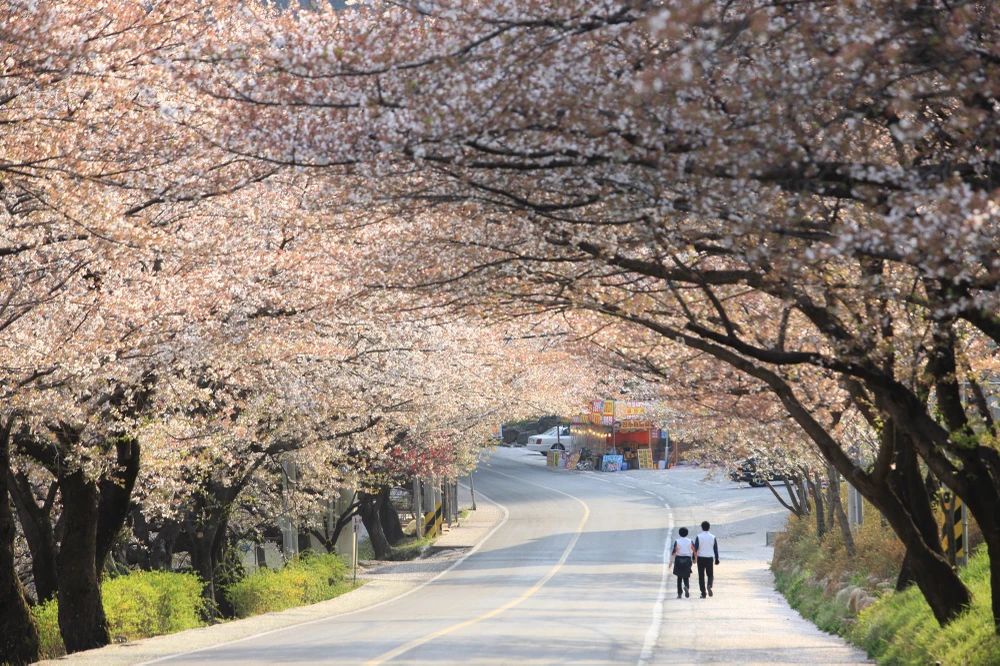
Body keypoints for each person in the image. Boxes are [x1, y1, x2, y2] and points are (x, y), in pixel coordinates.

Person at [694, 521, 720, 598]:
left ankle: (703, 593)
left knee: (701, 576)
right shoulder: (713, 537)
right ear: (709, 527)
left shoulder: (699, 537)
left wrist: (693, 558)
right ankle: (709, 585)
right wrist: (717, 559)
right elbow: (715, 549)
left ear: (702, 528)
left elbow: (695, 548)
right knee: (710, 575)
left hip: (701, 558)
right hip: (709, 558)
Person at [668, 527, 694, 598]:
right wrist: (695, 559)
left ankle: (679, 593)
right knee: (686, 576)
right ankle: (686, 587)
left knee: (679, 577)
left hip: (678, 559)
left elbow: (674, 552)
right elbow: (694, 550)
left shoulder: (677, 541)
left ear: (679, 533)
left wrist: (670, 561)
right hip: (687, 559)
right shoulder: (690, 541)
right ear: (687, 533)